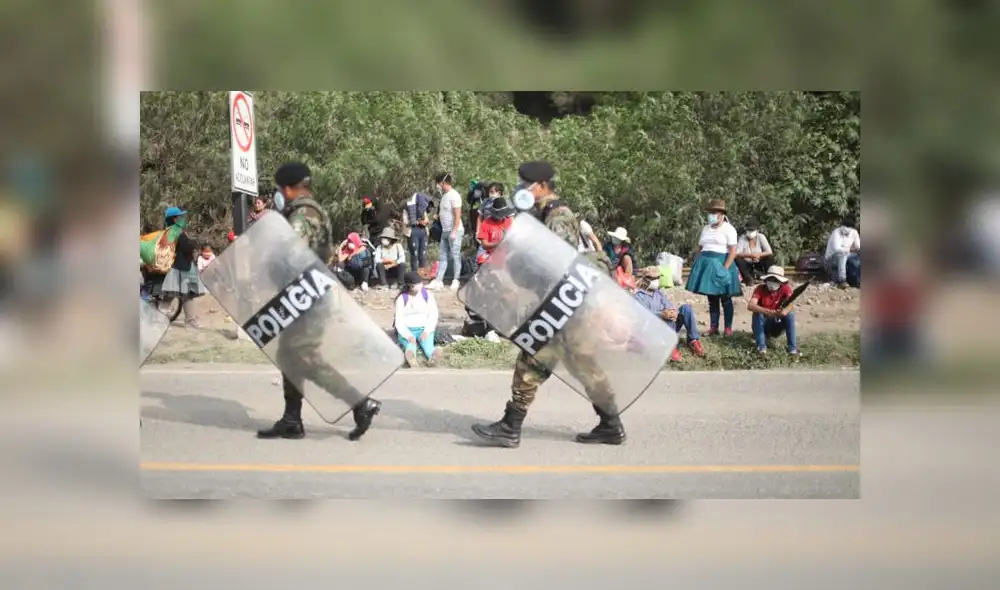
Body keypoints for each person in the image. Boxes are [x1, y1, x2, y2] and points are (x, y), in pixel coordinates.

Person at [471, 160, 624, 449]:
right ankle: (610, 425)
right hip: (569, 304)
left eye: (525, 184)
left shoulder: (558, 215)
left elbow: (557, 263)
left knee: (530, 363)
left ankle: (510, 426)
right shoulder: (541, 213)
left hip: (561, 305)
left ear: (540, 186)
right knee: (584, 365)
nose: (520, 189)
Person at [256, 162, 381, 441]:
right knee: (289, 355)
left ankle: (360, 403)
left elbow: (290, 253)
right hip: (306, 292)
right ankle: (291, 419)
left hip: (306, 295)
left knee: (304, 358)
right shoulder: (314, 210)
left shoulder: (301, 215)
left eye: (280, 189)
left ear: (287, 189)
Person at [685, 199, 742, 337]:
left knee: (725, 298)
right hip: (707, 263)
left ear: (722, 214)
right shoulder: (706, 229)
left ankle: (728, 328)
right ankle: (713, 327)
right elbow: (699, 247)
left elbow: (733, 251)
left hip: (722, 262)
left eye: (714, 212)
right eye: (710, 212)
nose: (711, 215)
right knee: (712, 299)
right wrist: (699, 262)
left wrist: (725, 268)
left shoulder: (729, 229)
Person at [633, 270, 705, 361]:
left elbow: (668, 305)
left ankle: (693, 340)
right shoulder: (639, 296)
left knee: (686, 308)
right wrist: (661, 315)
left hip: (668, 325)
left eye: (658, 278)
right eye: (654, 278)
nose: (657, 280)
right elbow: (643, 316)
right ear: (647, 280)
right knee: (666, 318)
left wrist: (672, 312)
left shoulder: (658, 293)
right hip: (653, 330)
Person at [156, 206, 204, 327]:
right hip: (181, 267)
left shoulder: (169, 231)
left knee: (175, 294)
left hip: (178, 267)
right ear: (175, 219)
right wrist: (194, 246)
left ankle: (159, 316)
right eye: (180, 216)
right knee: (185, 294)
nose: (183, 218)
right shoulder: (177, 232)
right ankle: (189, 320)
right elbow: (185, 247)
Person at [747, 266, 800, 357]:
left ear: (781, 282)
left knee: (790, 315)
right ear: (766, 279)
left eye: (775, 280)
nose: (772, 282)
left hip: (777, 324)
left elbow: (790, 304)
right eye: (770, 279)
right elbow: (751, 305)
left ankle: (792, 350)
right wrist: (766, 311)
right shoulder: (760, 289)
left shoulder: (785, 288)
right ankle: (761, 349)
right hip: (763, 323)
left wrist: (784, 311)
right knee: (758, 313)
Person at [394, 271, 442, 367]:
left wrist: (427, 331)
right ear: (410, 286)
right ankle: (412, 360)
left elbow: (433, 314)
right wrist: (408, 336)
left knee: (428, 347)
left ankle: (433, 357)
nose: (419, 286)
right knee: (410, 345)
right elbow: (399, 321)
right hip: (408, 329)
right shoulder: (402, 299)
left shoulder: (427, 295)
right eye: (416, 285)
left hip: (424, 328)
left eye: (420, 283)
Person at [428, 172, 463, 291]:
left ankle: (456, 279)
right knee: (442, 256)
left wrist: (454, 231)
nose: (437, 186)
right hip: (445, 230)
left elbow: (457, 214)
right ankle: (438, 280)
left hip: (455, 230)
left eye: (438, 183)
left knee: (455, 255)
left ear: (443, 183)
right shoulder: (444, 196)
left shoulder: (454, 195)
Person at [734, 216, 775, 285]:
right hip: (747, 262)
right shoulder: (742, 238)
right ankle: (749, 279)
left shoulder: (761, 237)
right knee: (738, 259)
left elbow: (769, 251)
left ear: (757, 230)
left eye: (752, 230)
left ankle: (768, 277)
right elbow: (737, 253)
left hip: (759, 261)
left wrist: (758, 255)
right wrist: (750, 255)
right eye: (749, 230)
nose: (750, 232)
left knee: (770, 257)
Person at [825, 213, 860, 289]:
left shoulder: (854, 232)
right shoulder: (836, 232)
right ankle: (842, 280)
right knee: (843, 255)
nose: (846, 229)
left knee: (857, 258)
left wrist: (852, 250)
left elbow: (858, 247)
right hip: (832, 257)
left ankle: (858, 281)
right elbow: (837, 249)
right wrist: (850, 249)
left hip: (848, 254)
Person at [402, 191, 431, 272]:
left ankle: (422, 274)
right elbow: (405, 222)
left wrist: (425, 221)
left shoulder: (422, 209)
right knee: (414, 254)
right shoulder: (407, 208)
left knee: (423, 254)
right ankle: (415, 275)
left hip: (423, 232)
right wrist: (418, 222)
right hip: (412, 232)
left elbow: (427, 220)